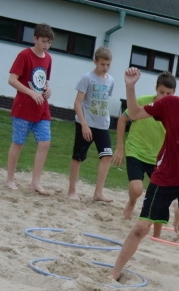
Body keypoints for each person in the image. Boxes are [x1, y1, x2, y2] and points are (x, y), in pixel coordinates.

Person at [107, 63, 179, 282]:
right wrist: (130, 87)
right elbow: (135, 114)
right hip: (165, 176)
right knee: (141, 227)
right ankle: (114, 272)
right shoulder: (168, 103)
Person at [113, 71, 175, 237]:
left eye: (169, 94)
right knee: (137, 188)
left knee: (160, 196)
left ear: (174, 94)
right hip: (136, 151)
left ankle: (156, 234)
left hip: (158, 158)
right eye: (161, 92)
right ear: (156, 89)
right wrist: (120, 148)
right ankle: (132, 202)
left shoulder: (173, 111)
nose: (164, 96)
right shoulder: (143, 103)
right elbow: (122, 120)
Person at [5, 23, 54, 194]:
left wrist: (47, 89)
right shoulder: (24, 55)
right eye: (43, 41)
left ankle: (36, 182)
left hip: (42, 108)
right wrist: (31, 93)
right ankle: (10, 179)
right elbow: (12, 79)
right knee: (18, 143)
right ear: (35, 39)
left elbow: (43, 80)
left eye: (49, 42)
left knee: (45, 142)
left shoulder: (48, 58)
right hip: (23, 107)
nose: (46, 45)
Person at [67, 47, 117, 202]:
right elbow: (77, 103)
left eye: (108, 64)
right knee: (78, 157)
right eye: (102, 64)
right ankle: (72, 190)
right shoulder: (87, 78)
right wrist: (84, 124)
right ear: (95, 61)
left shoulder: (111, 80)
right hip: (86, 124)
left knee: (107, 155)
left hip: (102, 125)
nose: (105, 67)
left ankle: (98, 193)